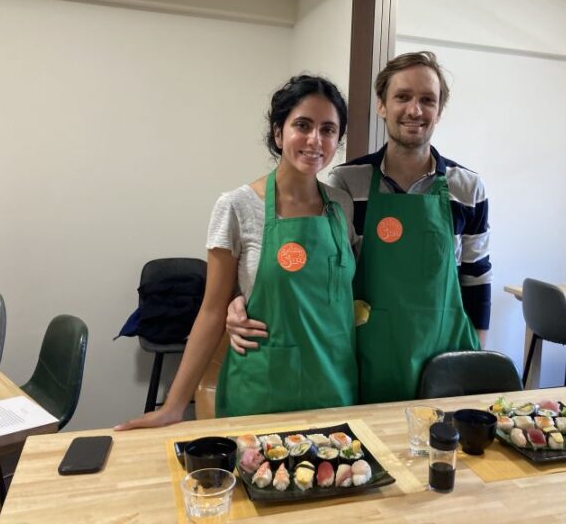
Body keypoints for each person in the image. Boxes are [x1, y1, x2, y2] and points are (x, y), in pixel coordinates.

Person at [227, 51, 491, 405]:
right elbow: (316, 274)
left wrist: (477, 361)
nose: (415, 110)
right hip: (367, 358)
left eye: (428, 100)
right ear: (381, 105)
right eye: (402, 97)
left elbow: (477, 277)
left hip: (444, 360)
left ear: (439, 110)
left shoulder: (468, 189)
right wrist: (238, 299)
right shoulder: (347, 185)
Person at [115, 75, 358, 429]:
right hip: (263, 390)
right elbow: (212, 310)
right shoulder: (237, 206)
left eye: (328, 130)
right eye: (302, 125)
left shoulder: (341, 205)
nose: (315, 140)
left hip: (335, 388)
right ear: (279, 133)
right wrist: (174, 406)